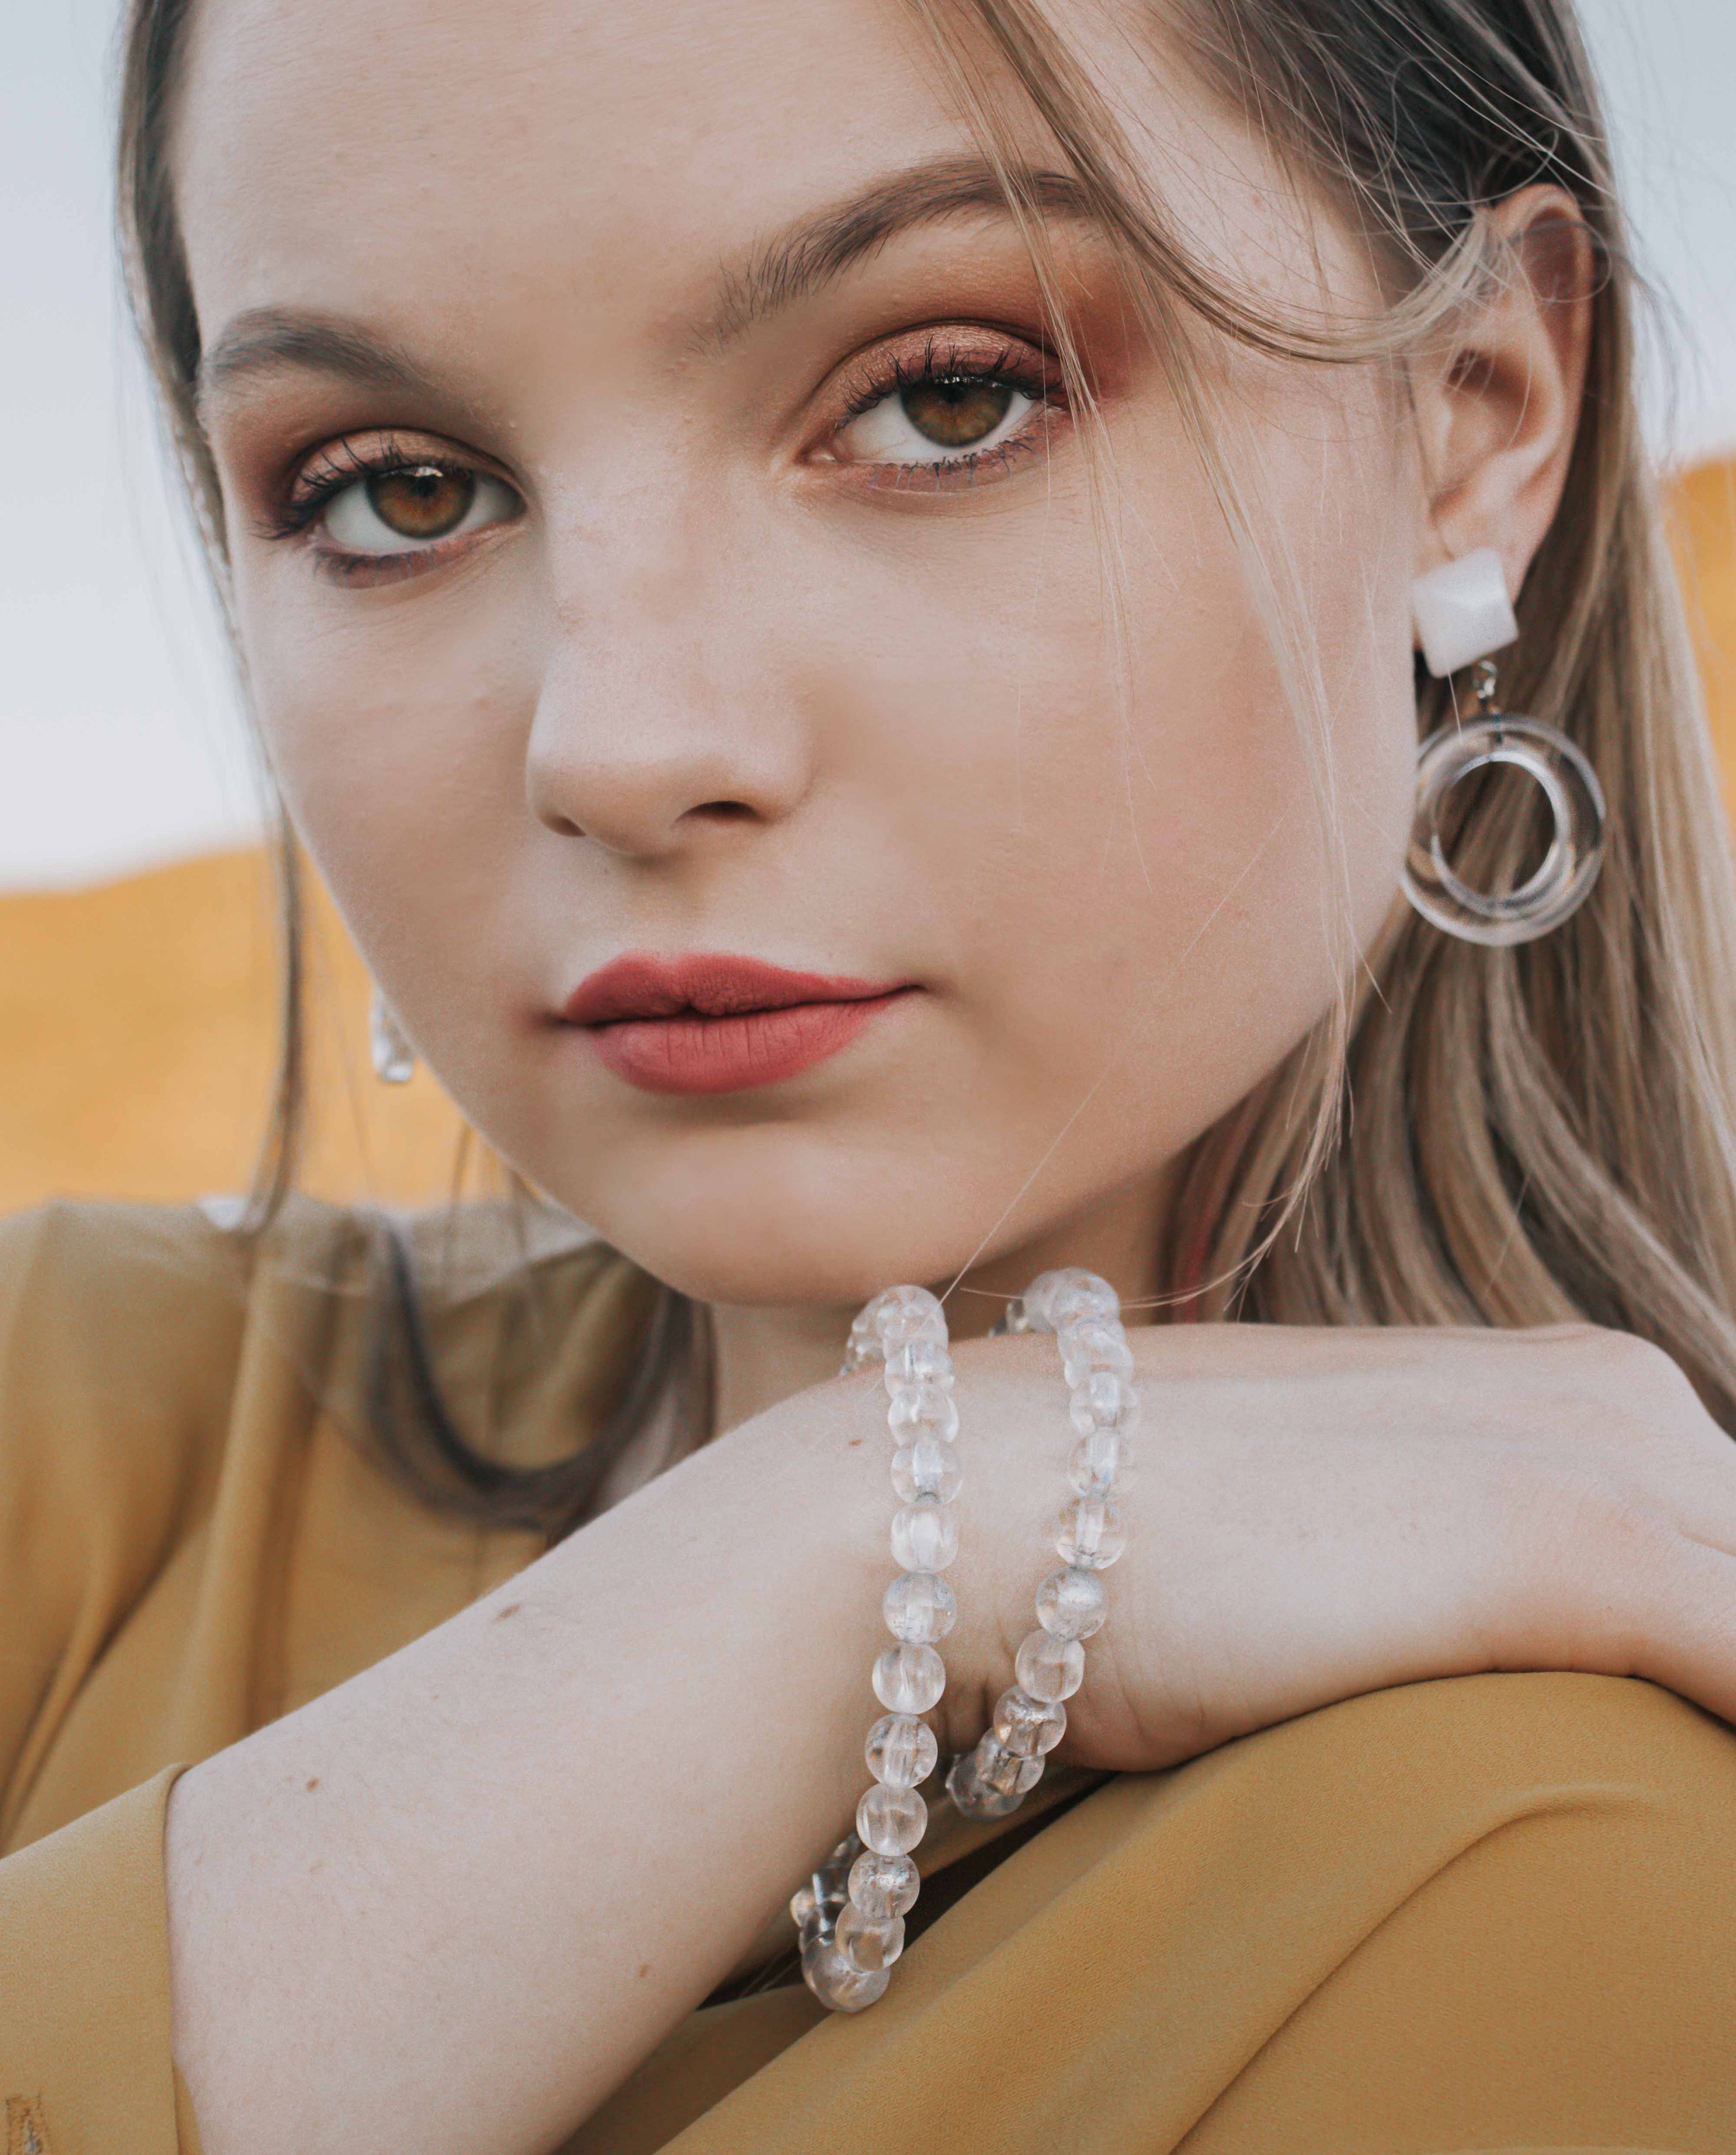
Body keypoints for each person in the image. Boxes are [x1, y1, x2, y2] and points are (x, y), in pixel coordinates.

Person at [8, 0, 1736, 2148]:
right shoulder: (68, 1438)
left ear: (1477, 417)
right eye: (399, 489)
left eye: (942, 398)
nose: (618, 745)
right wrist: (878, 1539)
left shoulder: (1586, 1915)